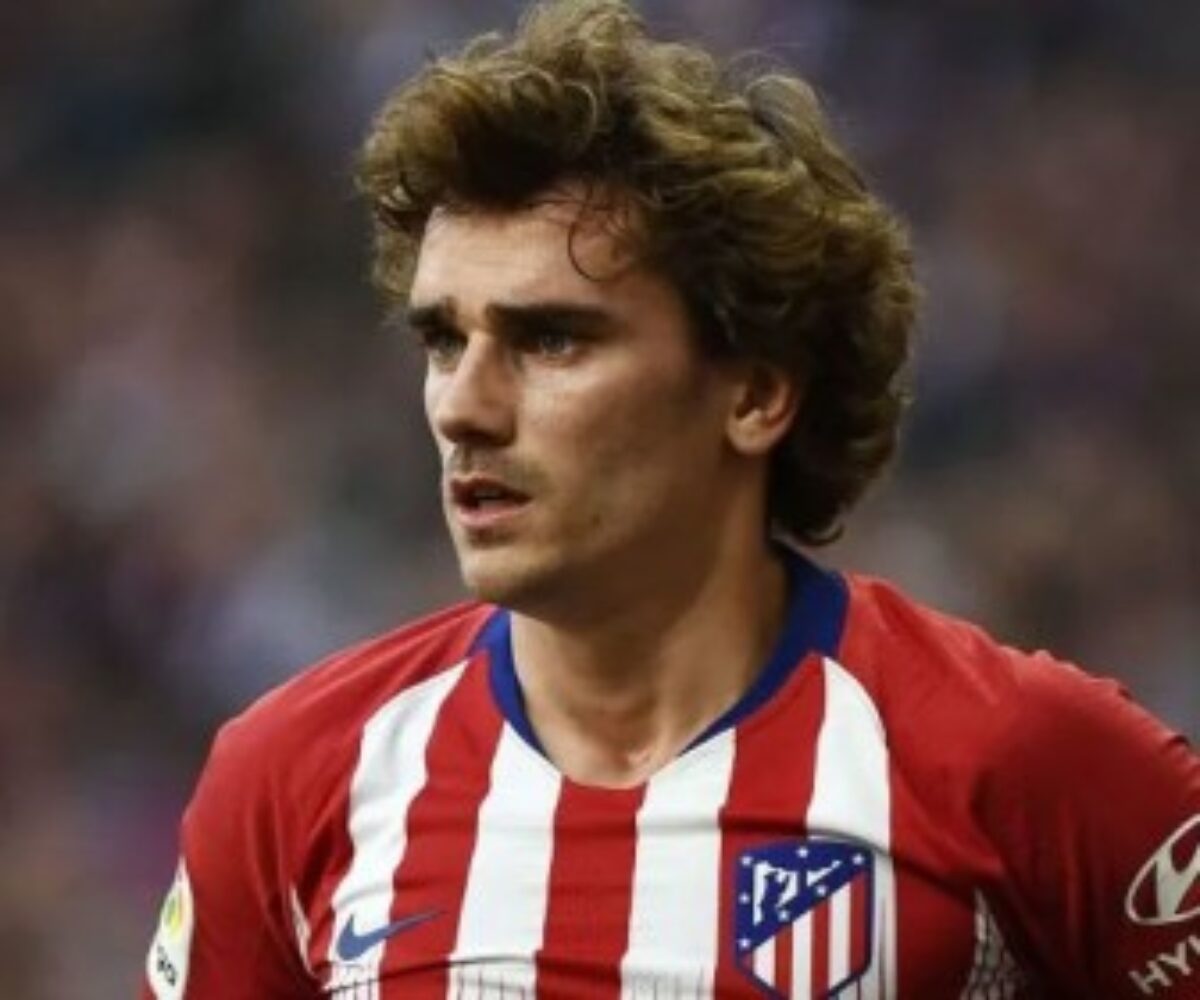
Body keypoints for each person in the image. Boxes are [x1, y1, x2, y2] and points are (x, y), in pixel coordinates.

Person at [141, 1, 1200, 997]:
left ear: (755, 393)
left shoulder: (1021, 762)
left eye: (551, 339)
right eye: (443, 340)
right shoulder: (296, 779)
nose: (463, 406)